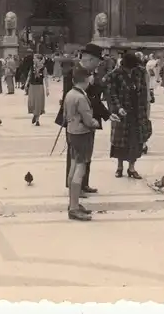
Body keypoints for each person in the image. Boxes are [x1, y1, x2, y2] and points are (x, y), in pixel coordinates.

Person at [55, 43, 119, 195]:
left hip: (89, 120)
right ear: (90, 59)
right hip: (77, 121)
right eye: (97, 61)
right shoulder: (74, 73)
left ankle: (83, 183)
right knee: (76, 157)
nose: (99, 65)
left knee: (86, 154)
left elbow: (95, 100)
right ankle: (75, 187)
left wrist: (108, 114)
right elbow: (71, 98)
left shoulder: (90, 74)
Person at [105, 51, 151, 179]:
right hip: (122, 113)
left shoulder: (140, 72)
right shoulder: (115, 75)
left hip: (137, 111)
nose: (130, 71)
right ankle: (119, 167)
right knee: (120, 141)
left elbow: (143, 90)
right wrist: (117, 108)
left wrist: (145, 108)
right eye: (128, 69)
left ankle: (132, 167)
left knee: (135, 141)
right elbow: (111, 93)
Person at [64, 65, 100, 221]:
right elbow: (88, 119)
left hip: (71, 132)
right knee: (80, 168)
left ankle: (72, 203)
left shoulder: (70, 94)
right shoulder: (81, 97)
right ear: (86, 79)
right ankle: (73, 208)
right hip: (82, 134)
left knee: (73, 167)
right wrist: (96, 123)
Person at [25, 53, 49, 126]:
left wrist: (47, 88)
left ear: (38, 59)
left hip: (39, 86)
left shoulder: (43, 68)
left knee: (38, 103)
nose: (33, 59)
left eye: (34, 58)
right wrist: (26, 84)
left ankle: (37, 119)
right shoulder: (32, 67)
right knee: (32, 102)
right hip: (32, 86)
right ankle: (35, 115)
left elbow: (46, 78)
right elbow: (29, 76)